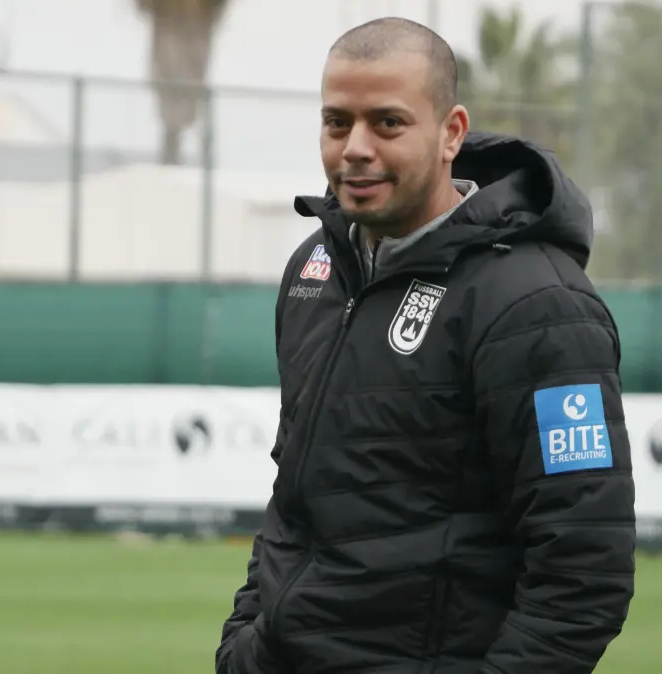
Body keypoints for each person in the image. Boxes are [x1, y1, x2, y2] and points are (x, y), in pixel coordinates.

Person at [216, 18, 635, 674]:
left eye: (387, 123)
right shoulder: (314, 272)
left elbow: (583, 572)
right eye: (336, 122)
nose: (354, 148)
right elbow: (295, 498)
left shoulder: (536, 306)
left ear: (452, 133)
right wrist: (247, 641)